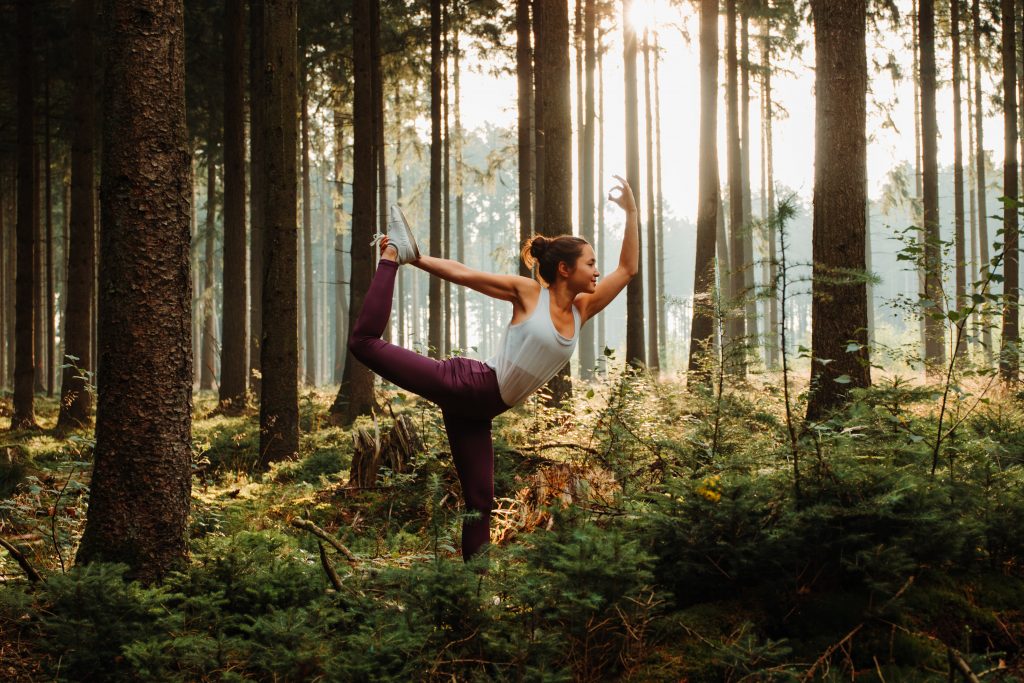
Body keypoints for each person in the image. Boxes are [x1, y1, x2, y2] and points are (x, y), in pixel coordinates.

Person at [348, 175, 638, 561]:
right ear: (566, 269)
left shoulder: (581, 310)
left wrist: (632, 213)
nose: (597, 270)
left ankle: (474, 592)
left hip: (479, 410)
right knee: (364, 344)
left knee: (480, 501)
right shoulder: (529, 292)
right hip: (467, 385)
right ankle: (390, 259)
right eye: (590, 263)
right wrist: (412, 257)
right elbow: (465, 274)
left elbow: (627, 269)